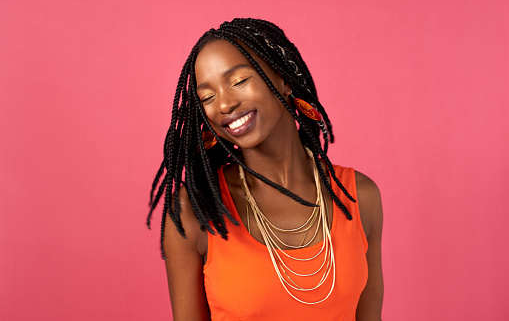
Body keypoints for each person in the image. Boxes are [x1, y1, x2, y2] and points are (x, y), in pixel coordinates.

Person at [147, 18, 383, 320]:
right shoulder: (195, 213)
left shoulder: (359, 197)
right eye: (207, 97)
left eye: (238, 81)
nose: (224, 104)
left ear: (283, 78)